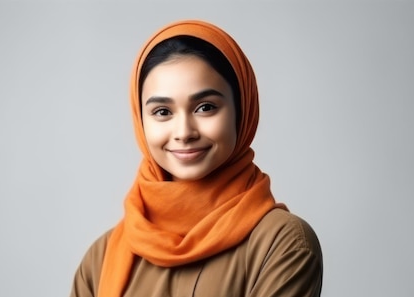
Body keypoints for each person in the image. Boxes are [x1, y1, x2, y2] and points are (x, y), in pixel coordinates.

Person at [70, 20, 323, 297]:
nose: (184, 133)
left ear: (242, 110)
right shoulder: (101, 258)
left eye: (205, 107)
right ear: (140, 120)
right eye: (163, 112)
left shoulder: (283, 243)